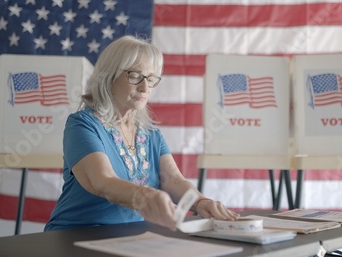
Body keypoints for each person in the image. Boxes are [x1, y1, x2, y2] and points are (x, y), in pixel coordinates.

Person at [44, 35, 238, 232]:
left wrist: (200, 202)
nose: (145, 87)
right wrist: (144, 195)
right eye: (135, 76)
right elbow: (103, 182)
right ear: (109, 76)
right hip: (78, 234)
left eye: (151, 78)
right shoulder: (82, 124)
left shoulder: (151, 133)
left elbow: (173, 180)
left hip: (134, 237)